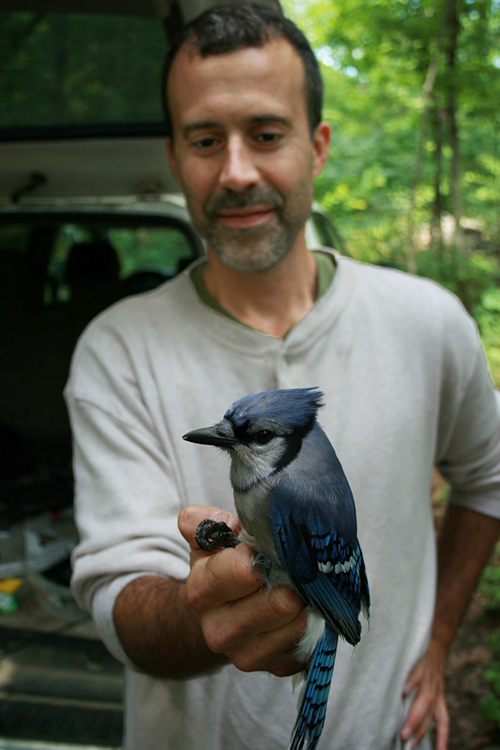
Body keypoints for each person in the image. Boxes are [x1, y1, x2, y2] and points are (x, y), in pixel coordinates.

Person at [65, 5, 500, 750]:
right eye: (206, 140)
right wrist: (204, 613)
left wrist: (436, 644)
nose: (237, 171)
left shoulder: (431, 323)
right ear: (176, 158)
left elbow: (488, 480)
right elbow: (118, 590)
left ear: (318, 146)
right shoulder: (116, 349)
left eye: (266, 134)